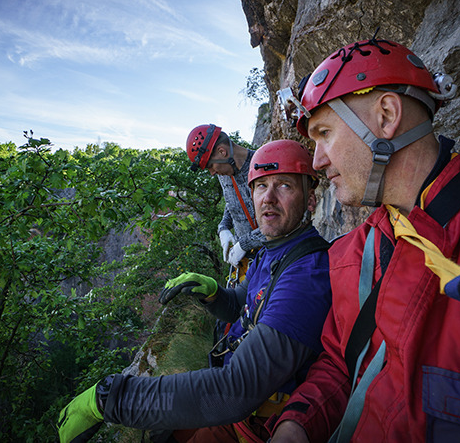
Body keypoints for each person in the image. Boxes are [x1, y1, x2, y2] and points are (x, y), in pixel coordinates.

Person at [269, 35, 460, 442]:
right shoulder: (350, 254)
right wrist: (296, 426)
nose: (317, 161)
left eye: (325, 133)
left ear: (386, 116)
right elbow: (339, 363)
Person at [57, 139, 332, 443]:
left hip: (257, 423)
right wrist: (213, 292)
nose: (268, 198)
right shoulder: (273, 251)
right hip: (237, 415)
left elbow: (236, 389)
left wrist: (112, 398)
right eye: (260, 186)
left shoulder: (307, 274)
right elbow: (241, 305)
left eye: (284, 186)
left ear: (310, 200)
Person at [186, 124, 266, 271]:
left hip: (275, 255)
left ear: (222, 152)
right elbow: (232, 202)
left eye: (210, 166)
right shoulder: (224, 173)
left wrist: (244, 244)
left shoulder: (263, 167)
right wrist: (223, 227)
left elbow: (281, 224)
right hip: (248, 261)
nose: (211, 173)